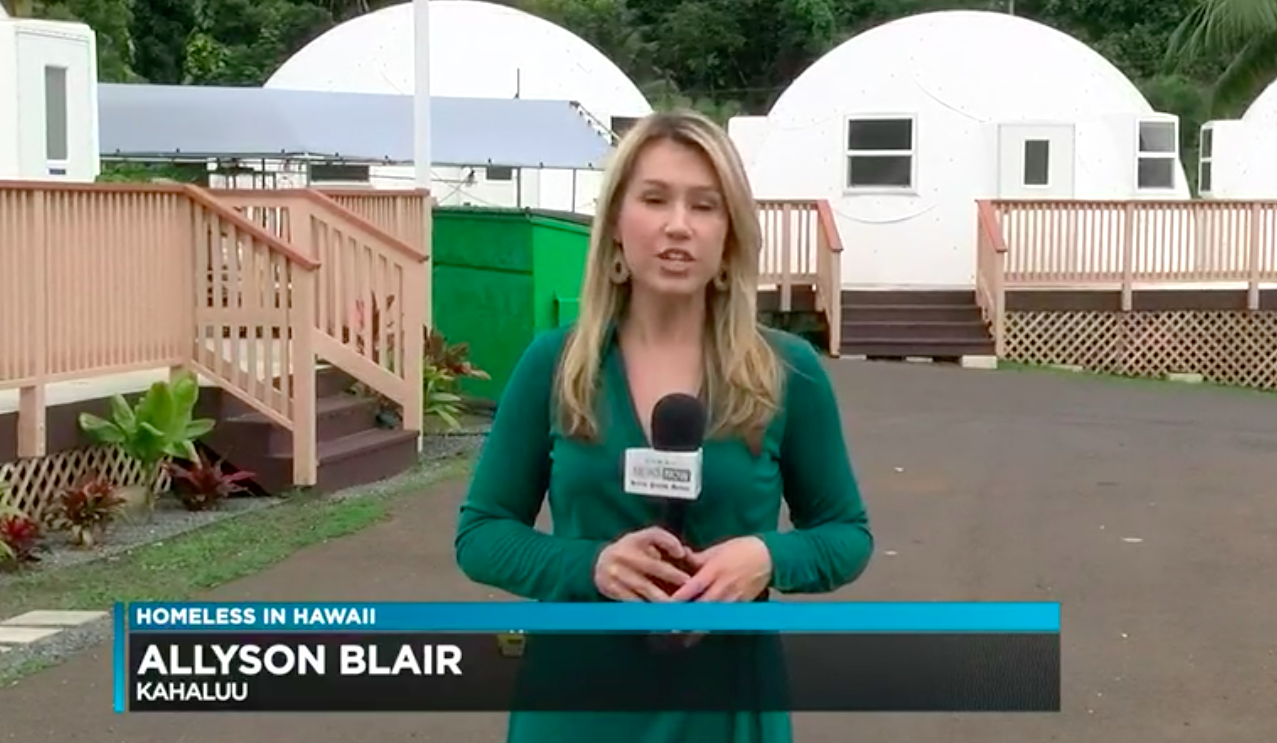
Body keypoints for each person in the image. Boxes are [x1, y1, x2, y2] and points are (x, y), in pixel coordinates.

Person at [454, 109, 874, 743]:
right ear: (617, 226)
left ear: (729, 235)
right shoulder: (556, 364)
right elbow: (481, 534)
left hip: (728, 704)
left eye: (704, 206)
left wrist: (767, 556)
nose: (678, 225)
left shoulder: (789, 371)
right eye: (654, 199)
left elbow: (847, 535)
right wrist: (590, 566)